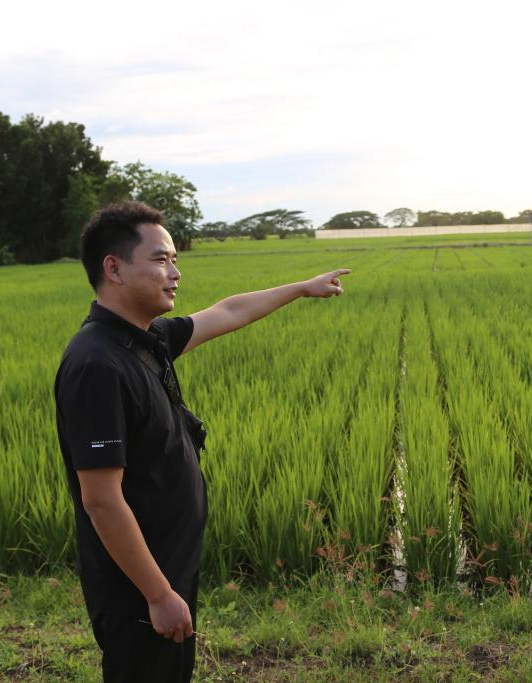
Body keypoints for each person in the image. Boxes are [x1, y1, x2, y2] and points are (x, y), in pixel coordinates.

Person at [54, 201, 349, 682]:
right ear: (114, 268)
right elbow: (102, 501)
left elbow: (229, 310)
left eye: (174, 259)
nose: (175, 272)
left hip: (165, 569)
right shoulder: (98, 366)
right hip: (136, 588)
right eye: (161, 259)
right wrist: (157, 595)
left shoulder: (145, 341)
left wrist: (301, 288)